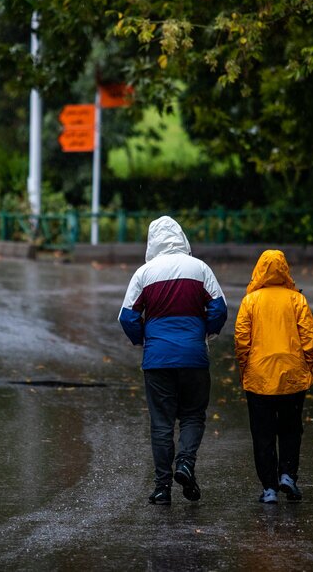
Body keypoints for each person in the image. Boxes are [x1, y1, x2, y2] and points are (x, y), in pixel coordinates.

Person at [118, 216, 228, 505]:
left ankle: (162, 488)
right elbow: (219, 308)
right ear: (182, 237)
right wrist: (205, 332)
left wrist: (144, 340)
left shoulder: (144, 273)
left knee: (161, 422)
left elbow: (127, 316)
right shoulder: (200, 269)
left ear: (152, 242)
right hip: (194, 356)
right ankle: (185, 463)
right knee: (193, 415)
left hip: (158, 359)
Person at [234, 249, 313, 504]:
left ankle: (269, 488)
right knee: (291, 429)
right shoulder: (297, 300)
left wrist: (245, 368)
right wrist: (308, 367)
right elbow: (309, 338)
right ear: (284, 270)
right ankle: (288, 476)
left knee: (263, 433)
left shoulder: (250, 301)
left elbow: (241, 340)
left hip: (259, 378)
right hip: (293, 375)